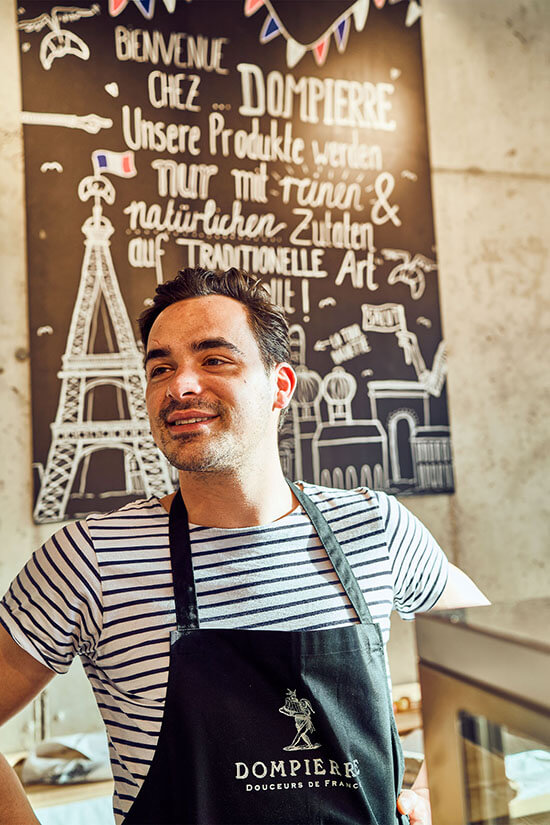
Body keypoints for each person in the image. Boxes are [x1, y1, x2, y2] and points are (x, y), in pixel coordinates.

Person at [0, 267, 488, 825]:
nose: (180, 385)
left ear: (280, 387)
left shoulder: (373, 527)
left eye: (215, 359)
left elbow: (491, 664)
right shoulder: (92, 557)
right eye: (161, 367)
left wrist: (434, 789)